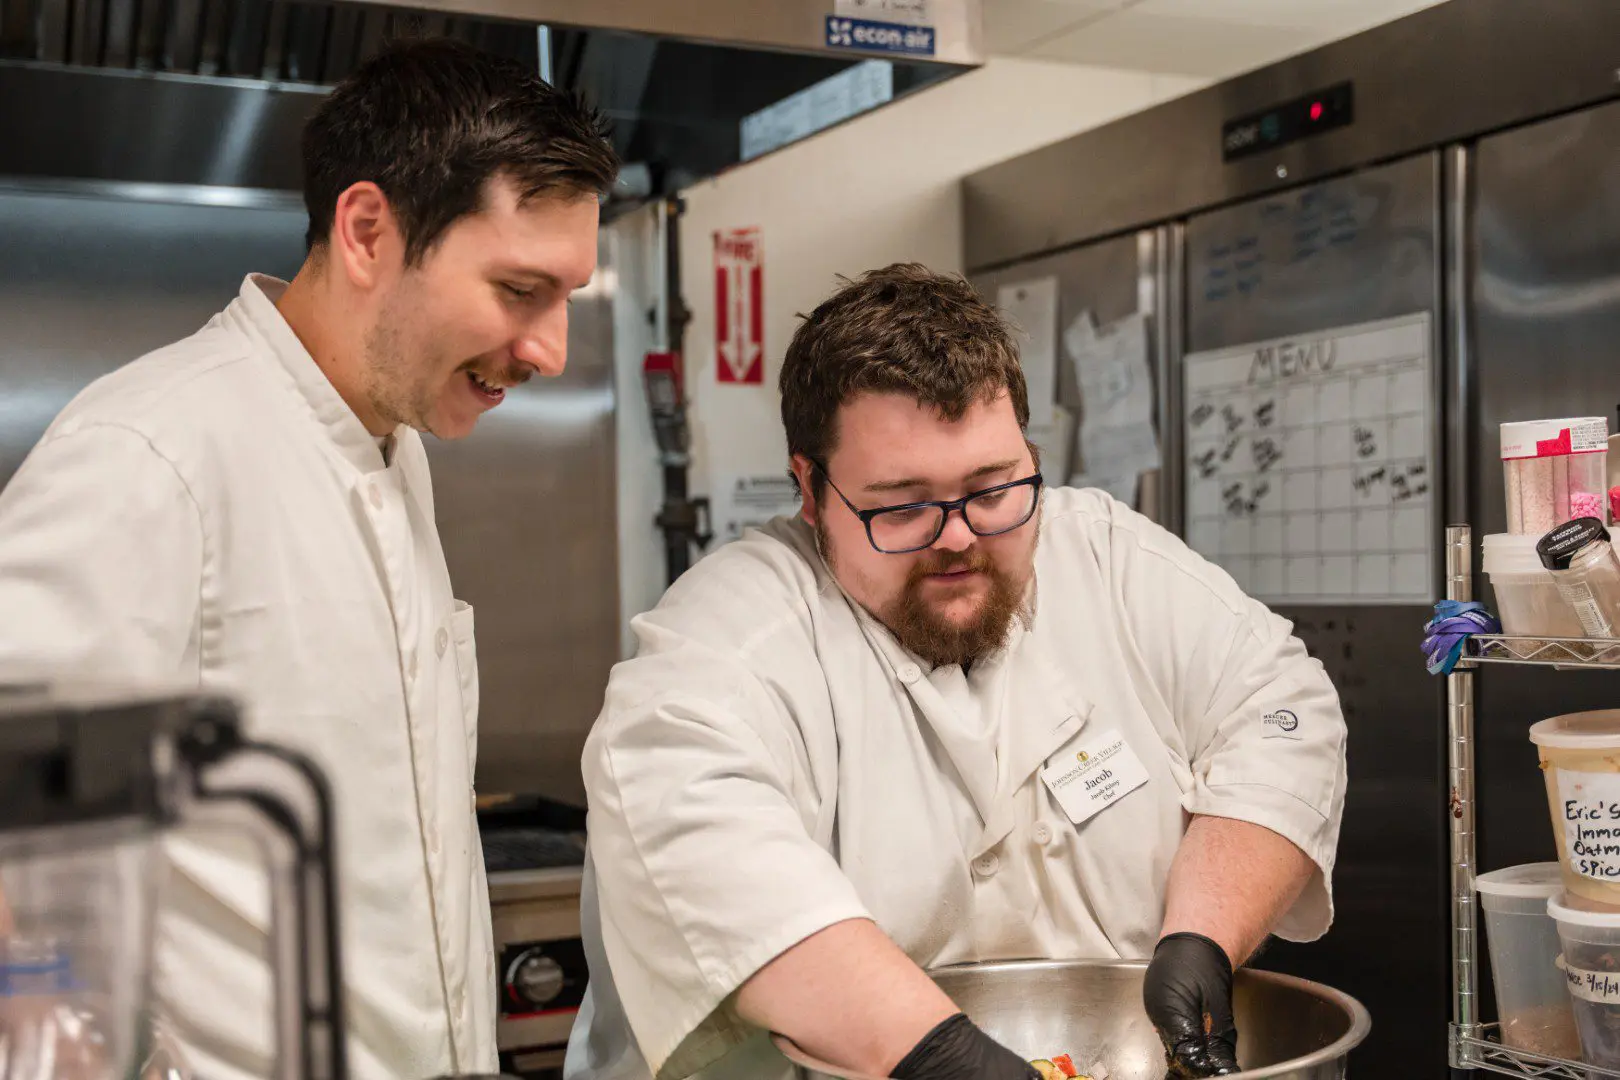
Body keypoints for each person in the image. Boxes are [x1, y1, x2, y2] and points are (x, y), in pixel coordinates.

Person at [0, 38, 617, 1080]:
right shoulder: (153, 456)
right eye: (520, 289)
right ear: (369, 230)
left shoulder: (392, 449)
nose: (551, 349)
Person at [565, 263, 1348, 1080]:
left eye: (992, 487)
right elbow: (688, 824)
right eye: (902, 504)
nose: (959, 538)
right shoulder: (736, 634)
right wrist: (939, 1057)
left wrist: (1203, 938)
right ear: (809, 487)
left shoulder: (1112, 562)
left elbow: (1279, 708)